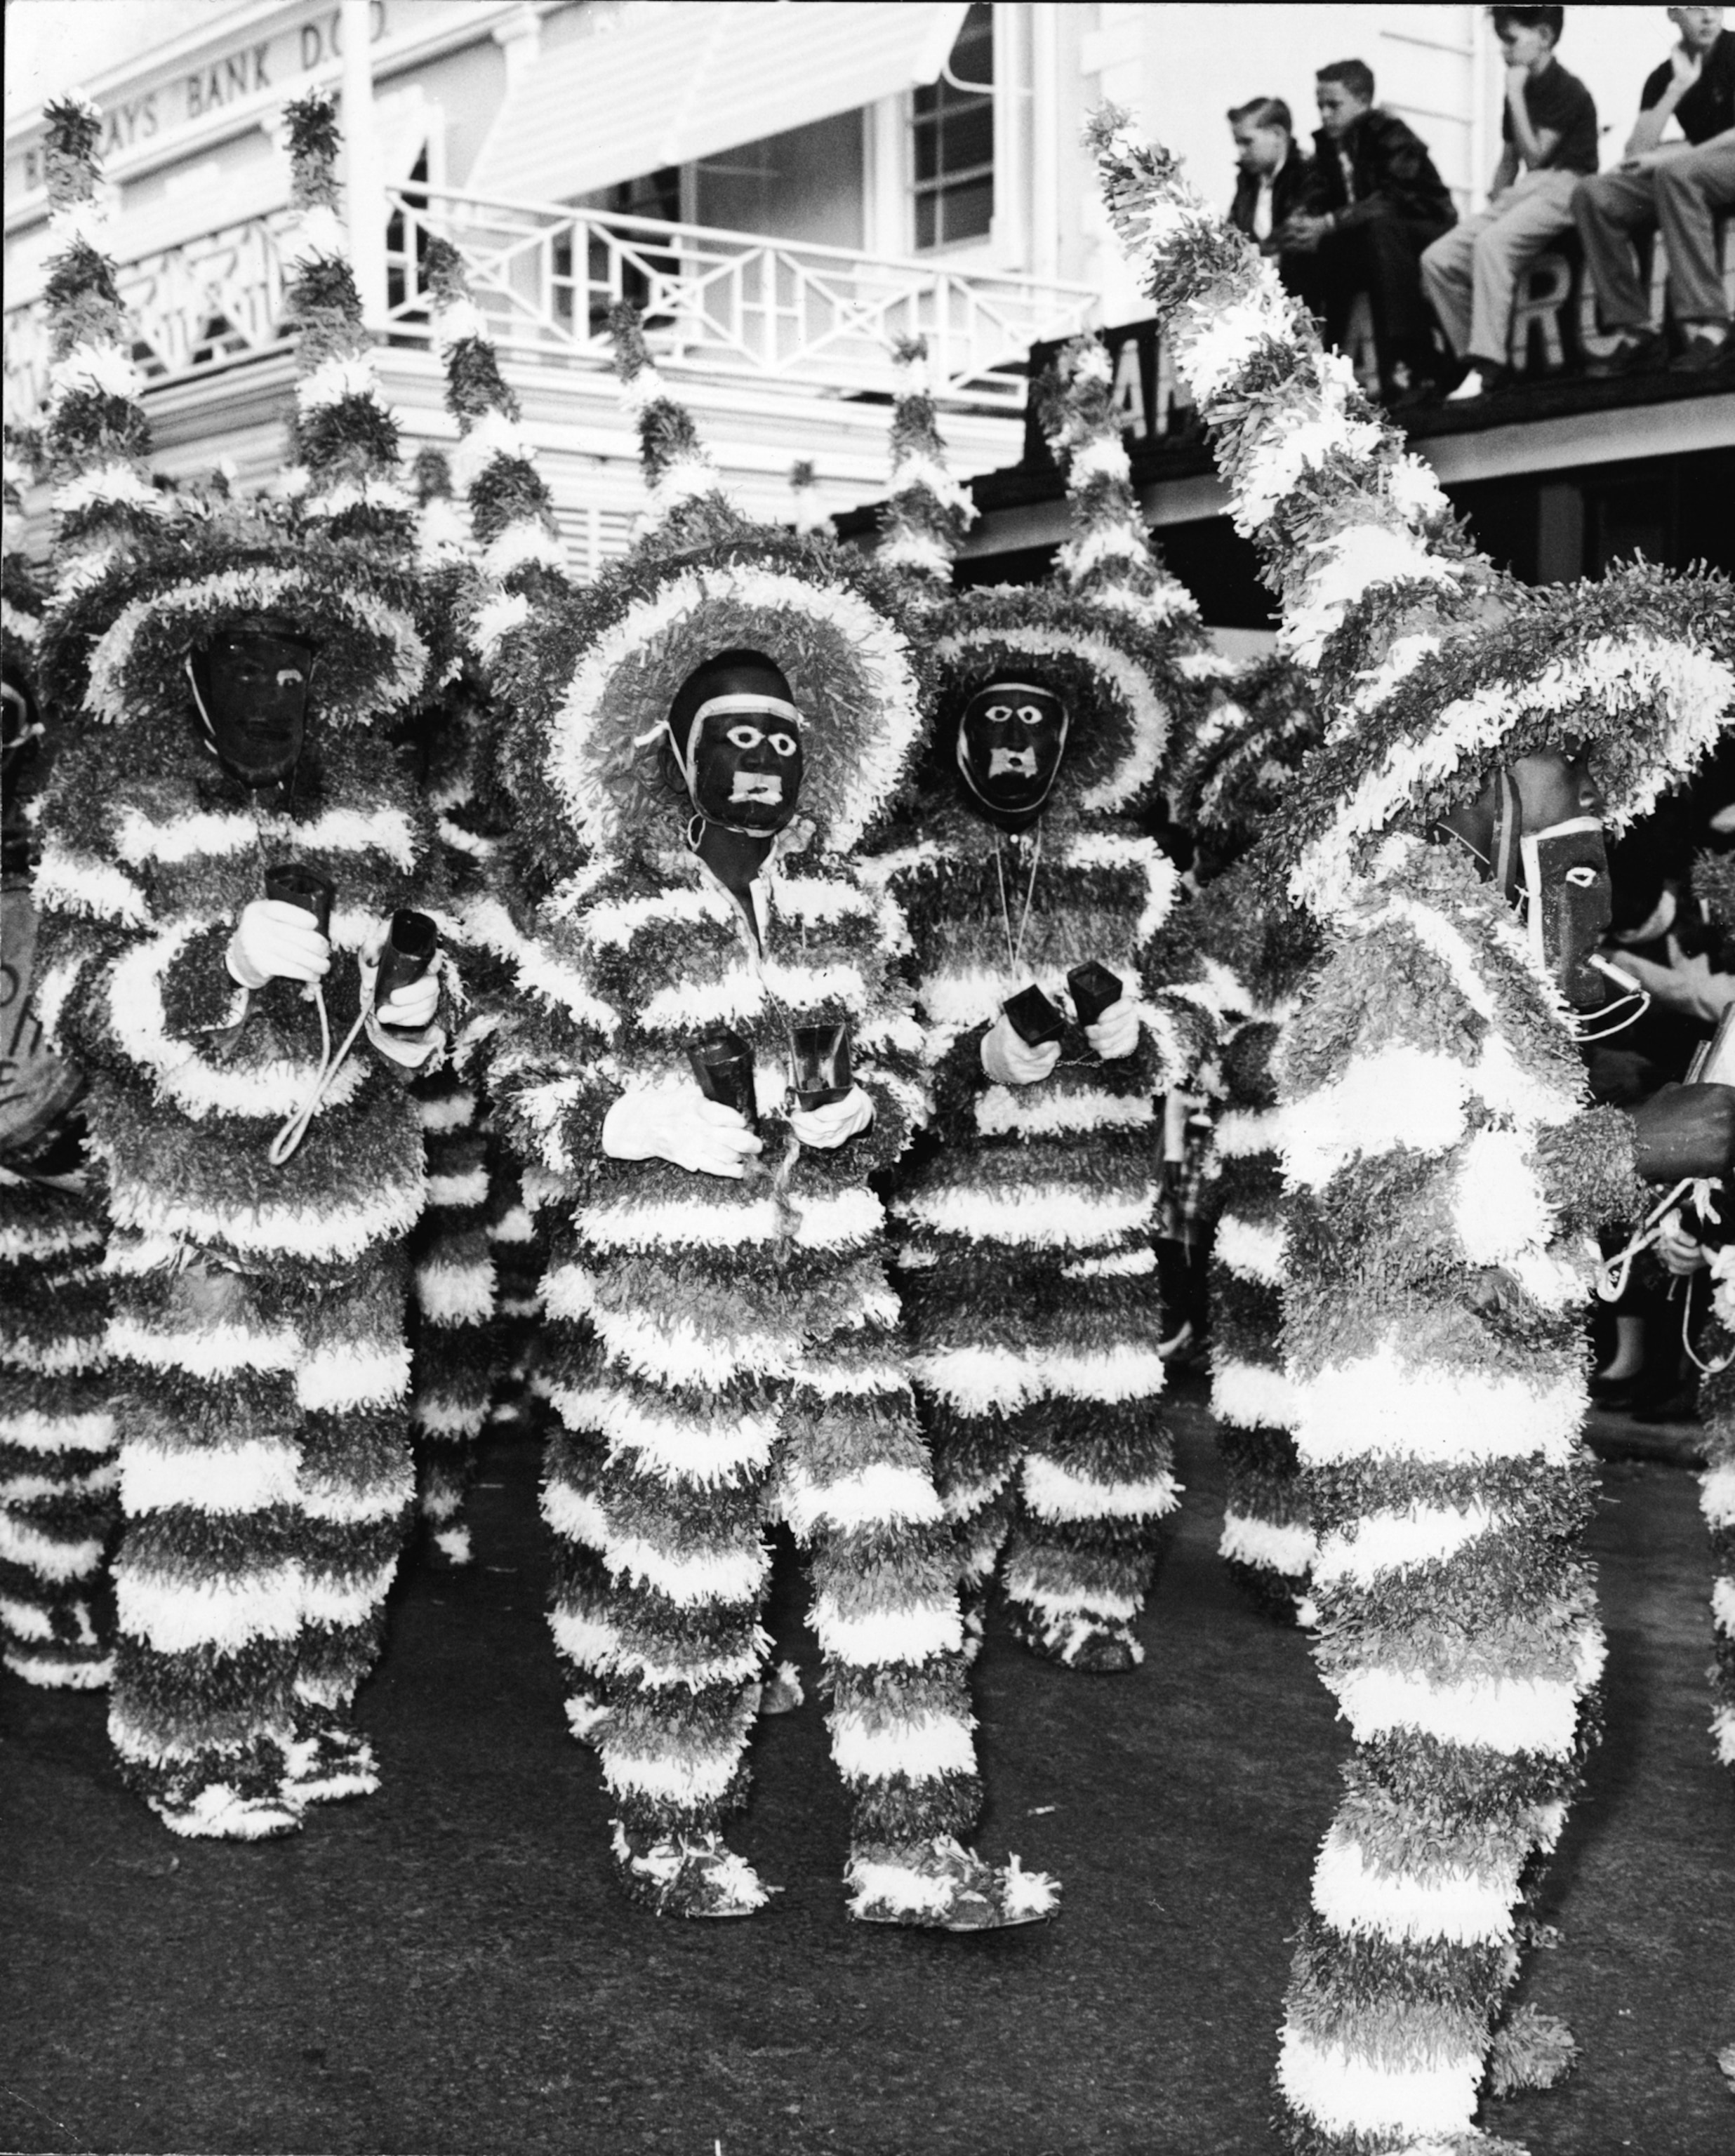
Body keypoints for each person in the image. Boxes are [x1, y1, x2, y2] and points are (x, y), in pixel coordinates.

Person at [1089, 108, 1735, 2156]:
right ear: (1454, 784)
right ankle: (1379, 2088)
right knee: (1456, 1739)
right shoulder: (1391, 957)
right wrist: (1657, 1146)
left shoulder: (1493, 961)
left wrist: (1639, 1186)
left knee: (1532, 1723)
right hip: (1421, 1425)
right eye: (1557, 777)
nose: (1592, 817)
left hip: (1497, 1412)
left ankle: (1461, 1995)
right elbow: (1420, 1216)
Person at [478, 305, 1056, 1929]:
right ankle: (668, 1825)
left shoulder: (850, 907)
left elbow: (910, 1073)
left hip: (841, 1285)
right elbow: (525, 1077)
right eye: (731, 742)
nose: (758, 766)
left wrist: (859, 1097)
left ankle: (917, 1847)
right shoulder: (607, 907)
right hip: (678, 1294)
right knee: (691, 1565)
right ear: (679, 757)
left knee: (894, 1561)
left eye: (781, 745)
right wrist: (642, 1121)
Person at [32, 93, 451, 1839]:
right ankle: (193, 1734)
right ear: (185, 671)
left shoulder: (374, 805)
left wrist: (415, 1002)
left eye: (302, 659)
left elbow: (420, 1008)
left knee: (349, 1475)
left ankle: (310, 1701)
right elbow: (69, 998)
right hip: (194, 1202)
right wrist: (209, 964)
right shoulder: (110, 802)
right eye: (247, 660)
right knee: (211, 1480)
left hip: (354, 1194)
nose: (280, 686)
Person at [871, 333, 1218, 1675]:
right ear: (953, 737)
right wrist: (969, 1061)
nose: (1014, 745)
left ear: (1071, 745)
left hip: (1104, 1210)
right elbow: (863, 1047)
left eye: (1036, 728)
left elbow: (1203, 1001)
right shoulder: (899, 879)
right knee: (956, 1408)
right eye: (993, 724)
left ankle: (1077, 1587)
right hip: (954, 1210)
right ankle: (948, 1583)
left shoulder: (1132, 871)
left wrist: (1148, 1034)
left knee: (1106, 1412)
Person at [1423, 6, 1600, 401]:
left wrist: (1515, 93)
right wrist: (1490, 206)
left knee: (1493, 245)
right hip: (1528, 189)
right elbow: (1509, 160)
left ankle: (1489, 364)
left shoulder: (1567, 88)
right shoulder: (1519, 88)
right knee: (1439, 258)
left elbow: (1536, 155)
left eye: (1511, 39)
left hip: (1567, 185)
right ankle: (1471, 354)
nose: (1503, 50)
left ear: (1544, 37)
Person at [1278, 58, 1457, 398]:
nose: (1325, 115)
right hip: (1372, 236)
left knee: (1380, 230)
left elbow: (1395, 198)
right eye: (1320, 106)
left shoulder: (1392, 134)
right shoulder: (1329, 148)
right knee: (1301, 252)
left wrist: (1330, 222)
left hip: (1425, 230)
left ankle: (1412, 359)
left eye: (1334, 105)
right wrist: (1302, 220)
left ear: (1362, 101)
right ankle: (1301, 363)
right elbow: (1317, 192)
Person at [1574, 5, 1735, 376]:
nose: (1708, 17)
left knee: (1674, 173)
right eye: (1695, 8)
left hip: (1715, 163)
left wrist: (1670, 159)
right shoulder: (1665, 75)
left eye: (1716, 6)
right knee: (1592, 194)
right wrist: (1676, 89)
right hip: (1693, 172)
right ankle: (1636, 328)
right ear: (1672, 14)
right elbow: (1637, 151)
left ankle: (1713, 324)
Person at [1228, 97, 1319, 305]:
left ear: (1277, 134)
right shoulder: (1247, 182)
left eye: (1247, 142)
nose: (1240, 152)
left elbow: (1297, 241)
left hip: (1301, 295)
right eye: (1237, 143)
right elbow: (1232, 233)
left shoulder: (1308, 175)